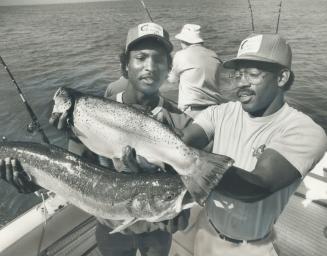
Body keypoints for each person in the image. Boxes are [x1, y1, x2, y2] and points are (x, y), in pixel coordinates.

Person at [0, 22, 191, 256]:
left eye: (159, 59)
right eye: (140, 57)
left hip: (157, 232)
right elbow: (70, 171)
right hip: (110, 229)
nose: (150, 67)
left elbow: (182, 208)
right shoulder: (89, 116)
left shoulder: (181, 123)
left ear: (169, 68)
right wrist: (30, 181)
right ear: (125, 66)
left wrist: (178, 217)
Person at [179, 33, 327, 255]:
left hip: (251, 247)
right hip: (205, 230)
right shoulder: (219, 112)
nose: (242, 83)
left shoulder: (305, 131)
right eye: (238, 75)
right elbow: (184, 141)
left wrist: (179, 157)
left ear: (281, 77)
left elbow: (255, 186)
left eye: (253, 74)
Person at [168, 24, 226, 118]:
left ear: (183, 41)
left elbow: (171, 80)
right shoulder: (214, 55)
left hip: (192, 112)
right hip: (216, 111)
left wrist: (169, 67)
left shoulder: (180, 55)